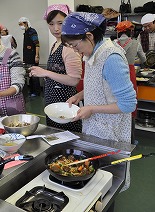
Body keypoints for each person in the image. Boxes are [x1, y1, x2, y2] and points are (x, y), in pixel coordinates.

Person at [61, 12, 137, 190]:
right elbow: (97, 84)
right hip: (96, 127)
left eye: (74, 45)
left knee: (108, 180)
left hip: (111, 131)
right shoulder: (92, 53)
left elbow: (128, 104)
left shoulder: (111, 59)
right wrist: (79, 95)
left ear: (89, 36)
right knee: (94, 178)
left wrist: (92, 109)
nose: (74, 50)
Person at [29, 4, 82, 132]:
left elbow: (74, 80)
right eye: (51, 24)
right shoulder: (56, 44)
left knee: (67, 140)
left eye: (60, 23)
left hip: (65, 103)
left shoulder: (69, 46)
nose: (56, 28)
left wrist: (45, 73)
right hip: (53, 102)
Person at [114, 20, 146, 144]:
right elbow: (143, 59)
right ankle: (130, 139)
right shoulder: (136, 43)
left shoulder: (114, 43)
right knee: (130, 104)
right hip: (130, 74)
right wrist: (134, 58)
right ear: (131, 31)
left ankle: (118, 138)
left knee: (116, 102)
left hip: (116, 74)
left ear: (118, 32)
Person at [18, 17, 41, 97]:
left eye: (21, 24)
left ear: (26, 23)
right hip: (27, 58)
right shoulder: (26, 32)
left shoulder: (32, 32)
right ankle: (31, 91)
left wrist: (36, 56)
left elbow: (37, 44)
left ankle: (37, 92)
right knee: (30, 75)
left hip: (33, 57)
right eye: (19, 24)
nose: (20, 26)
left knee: (34, 75)